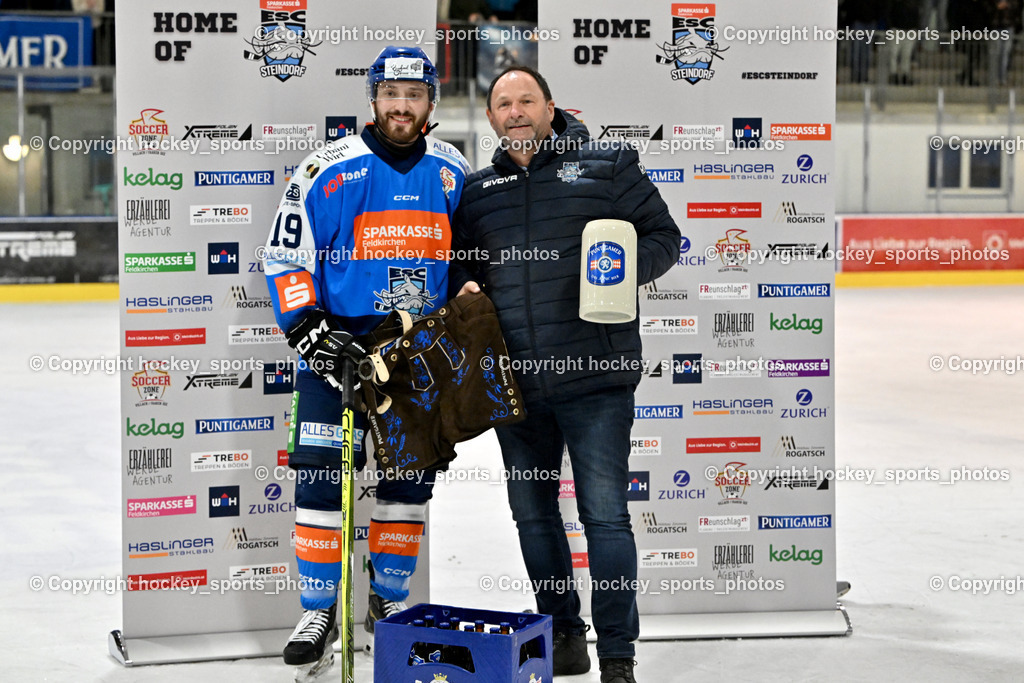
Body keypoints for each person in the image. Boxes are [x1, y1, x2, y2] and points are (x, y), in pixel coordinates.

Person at [450, 66, 680, 683]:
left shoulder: (607, 167)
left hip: (595, 378)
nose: (516, 111)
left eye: (528, 99)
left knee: (604, 516)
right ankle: (562, 633)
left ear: (552, 107)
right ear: (491, 118)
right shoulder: (477, 193)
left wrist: (624, 271)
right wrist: (462, 286)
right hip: (516, 385)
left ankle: (618, 655)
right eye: (504, 103)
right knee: (533, 515)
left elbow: (664, 237)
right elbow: (459, 269)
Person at [262, 45, 469, 679]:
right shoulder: (327, 169)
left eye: (413, 95)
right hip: (338, 350)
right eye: (390, 94)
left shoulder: (454, 171)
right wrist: (308, 331)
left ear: (430, 101)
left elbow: (469, 259)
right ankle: (318, 609)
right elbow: (284, 257)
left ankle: (391, 598)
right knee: (320, 480)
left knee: (408, 482)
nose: (401, 106)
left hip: (416, 353)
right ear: (373, 99)